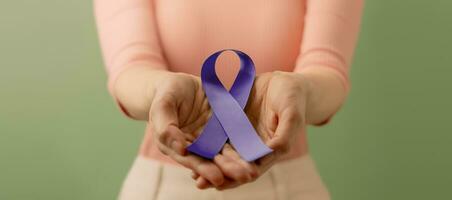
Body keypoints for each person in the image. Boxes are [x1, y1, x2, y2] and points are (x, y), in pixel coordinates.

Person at [94, 0, 363, 199]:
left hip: (290, 187)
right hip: (163, 187)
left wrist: (300, 91)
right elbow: (130, 68)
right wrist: (162, 90)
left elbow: (328, 69)